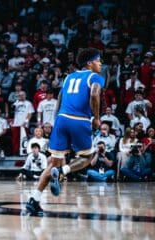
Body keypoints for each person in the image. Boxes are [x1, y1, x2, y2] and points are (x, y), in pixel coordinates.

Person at [26, 48, 104, 215]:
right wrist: (96, 118)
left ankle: (34, 200)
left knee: (53, 163)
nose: (101, 64)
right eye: (98, 61)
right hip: (79, 120)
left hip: (61, 119)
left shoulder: (69, 77)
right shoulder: (95, 76)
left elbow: (60, 98)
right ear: (89, 63)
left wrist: (56, 121)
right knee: (86, 157)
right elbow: (95, 95)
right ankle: (62, 172)